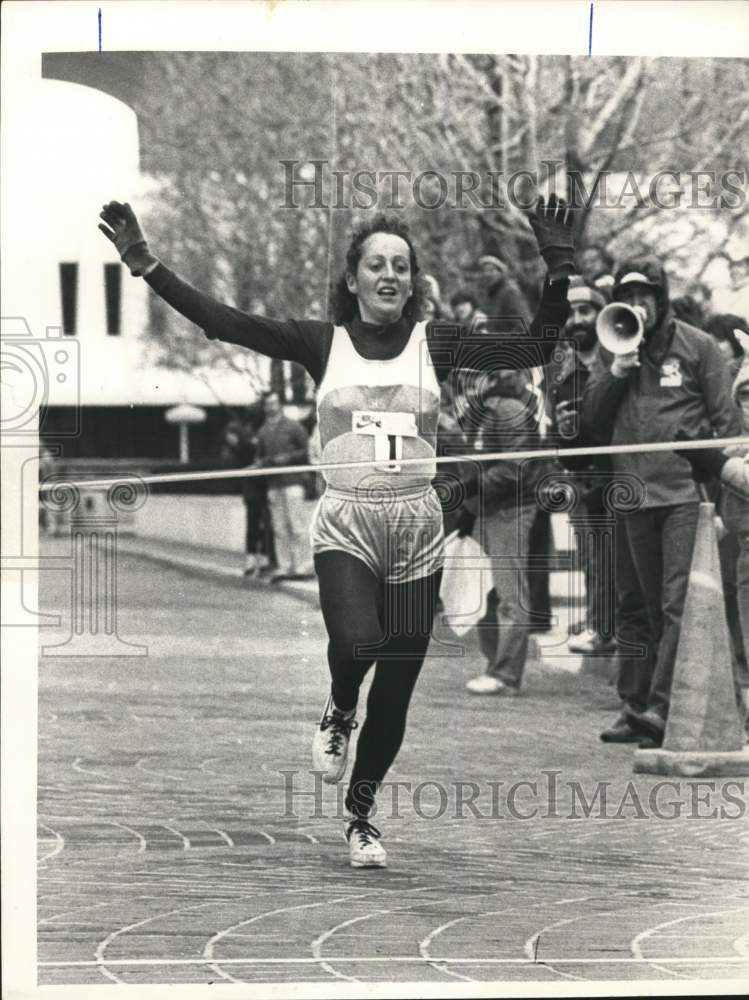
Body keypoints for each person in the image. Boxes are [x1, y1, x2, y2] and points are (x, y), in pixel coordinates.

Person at [98, 195, 574, 868]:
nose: (389, 276)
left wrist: (558, 264)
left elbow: (534, 345)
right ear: (351, 279)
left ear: (411, 282)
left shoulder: (433, 342)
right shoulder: (320, 342)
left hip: (415, 527)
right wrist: (147, 265)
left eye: (401, 267)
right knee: (357, 642)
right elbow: (223, 321)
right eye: (375, 264)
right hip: (348, 522)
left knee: (400, 683)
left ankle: (360, 817)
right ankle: (338, 705)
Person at [582, 255, 740, 746]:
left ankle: (664, 706)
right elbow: (588, 425)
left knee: (675, 603)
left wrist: (715, 492)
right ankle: (634, 705)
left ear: (660, 299)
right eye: (626, 299)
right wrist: (615, 372)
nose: (635, 307)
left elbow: (728, 424)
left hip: (679, 495)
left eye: (643, 297)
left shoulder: (698, 347)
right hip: (630, 494)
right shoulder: (612, 350)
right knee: (633, 604)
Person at [456, 367, 547, 696]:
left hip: (510, 508)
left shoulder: (506, 411)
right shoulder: (479, 413)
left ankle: (506, 672)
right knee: (483, 594)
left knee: (509, 595)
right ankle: (496, 666)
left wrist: (470, 486)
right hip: (488, 508)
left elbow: (514, 467)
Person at [255, 391, 314, 582]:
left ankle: (303, 566)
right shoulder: (263, 431)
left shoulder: (293, 426)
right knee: (279, 528)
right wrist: (262, 462)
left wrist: (288, 458)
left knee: (297, 526)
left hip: (293, 482)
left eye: (274, 403)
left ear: (280, 404)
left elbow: (307, 451)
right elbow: (260, 456)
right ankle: (284, 566)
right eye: (268, 404)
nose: (271, 407)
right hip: (273, 484)